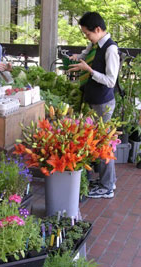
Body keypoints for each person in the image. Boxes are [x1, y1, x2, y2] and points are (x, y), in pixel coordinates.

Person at [69, 12, 120, 199]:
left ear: (97, 30)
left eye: (88, 34)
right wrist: (78, 57)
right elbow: (87, 51)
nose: (87, 37)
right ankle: (106, 181)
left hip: (104, 103)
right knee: (97, 142)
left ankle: (107, 186)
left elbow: (110, 81)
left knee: (105, 144)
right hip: (95, 100)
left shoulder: (110, 49)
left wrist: (89, 70)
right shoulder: (96, 44)